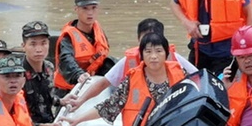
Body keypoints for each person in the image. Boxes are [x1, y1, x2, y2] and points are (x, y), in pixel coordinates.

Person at [62, 32, 186, 126]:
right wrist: (78, 119)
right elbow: (109, 106)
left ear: (166, 54)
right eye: (148, 51)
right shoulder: (132, 79)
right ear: (141, 55)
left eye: (159, 51)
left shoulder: (181, 75)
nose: (153, 56)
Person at [62, 18, 197, 111]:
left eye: (156, 43)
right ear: (138, 41)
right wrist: (80, 101)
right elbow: (104, 86)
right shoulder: (128, 64)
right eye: (146, 42)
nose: (153, 54)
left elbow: (199, 79)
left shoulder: (177, 61)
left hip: (168, 114)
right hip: (138, 116)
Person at [53, 0, 112, 97]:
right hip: (69, 90)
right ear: (76, 9)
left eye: (93, 8)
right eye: (85, 8)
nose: (90, 13)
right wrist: (78, 74)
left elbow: (103, 56)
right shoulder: (68, 36)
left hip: (92, 86)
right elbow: (66, 60)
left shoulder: (98, 30)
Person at [20, 21, 62, 126]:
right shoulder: (17, 75)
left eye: (43, 43)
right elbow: (14, 113)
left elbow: (46, 96)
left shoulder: (49, 67)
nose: (39, 49)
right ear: (23, 46)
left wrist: (61, 101)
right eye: (33, 44)